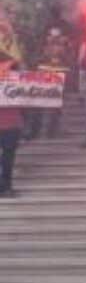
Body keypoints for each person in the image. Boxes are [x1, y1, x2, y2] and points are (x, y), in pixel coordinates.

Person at [0, 60, 23, 197]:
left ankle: (6, 186)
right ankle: (6, 187)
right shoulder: (18, 78)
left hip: (13, 123)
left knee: (8, 158)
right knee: (8, 158)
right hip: (12, 123)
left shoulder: (19, 79)